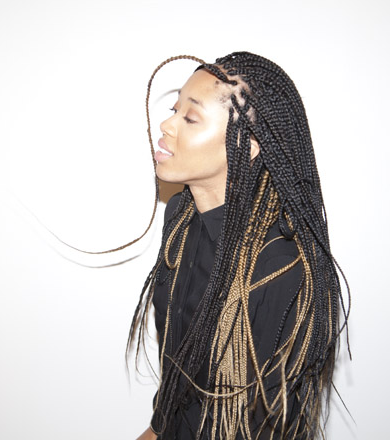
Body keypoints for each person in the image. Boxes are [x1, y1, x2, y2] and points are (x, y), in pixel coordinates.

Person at [130, 52, 348, 440]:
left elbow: (263, 426)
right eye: (174, 109)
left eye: (190, 118)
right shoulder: (180, 217)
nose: (166, 124)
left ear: (247, 145)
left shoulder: (279, 266)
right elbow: (179, 377)